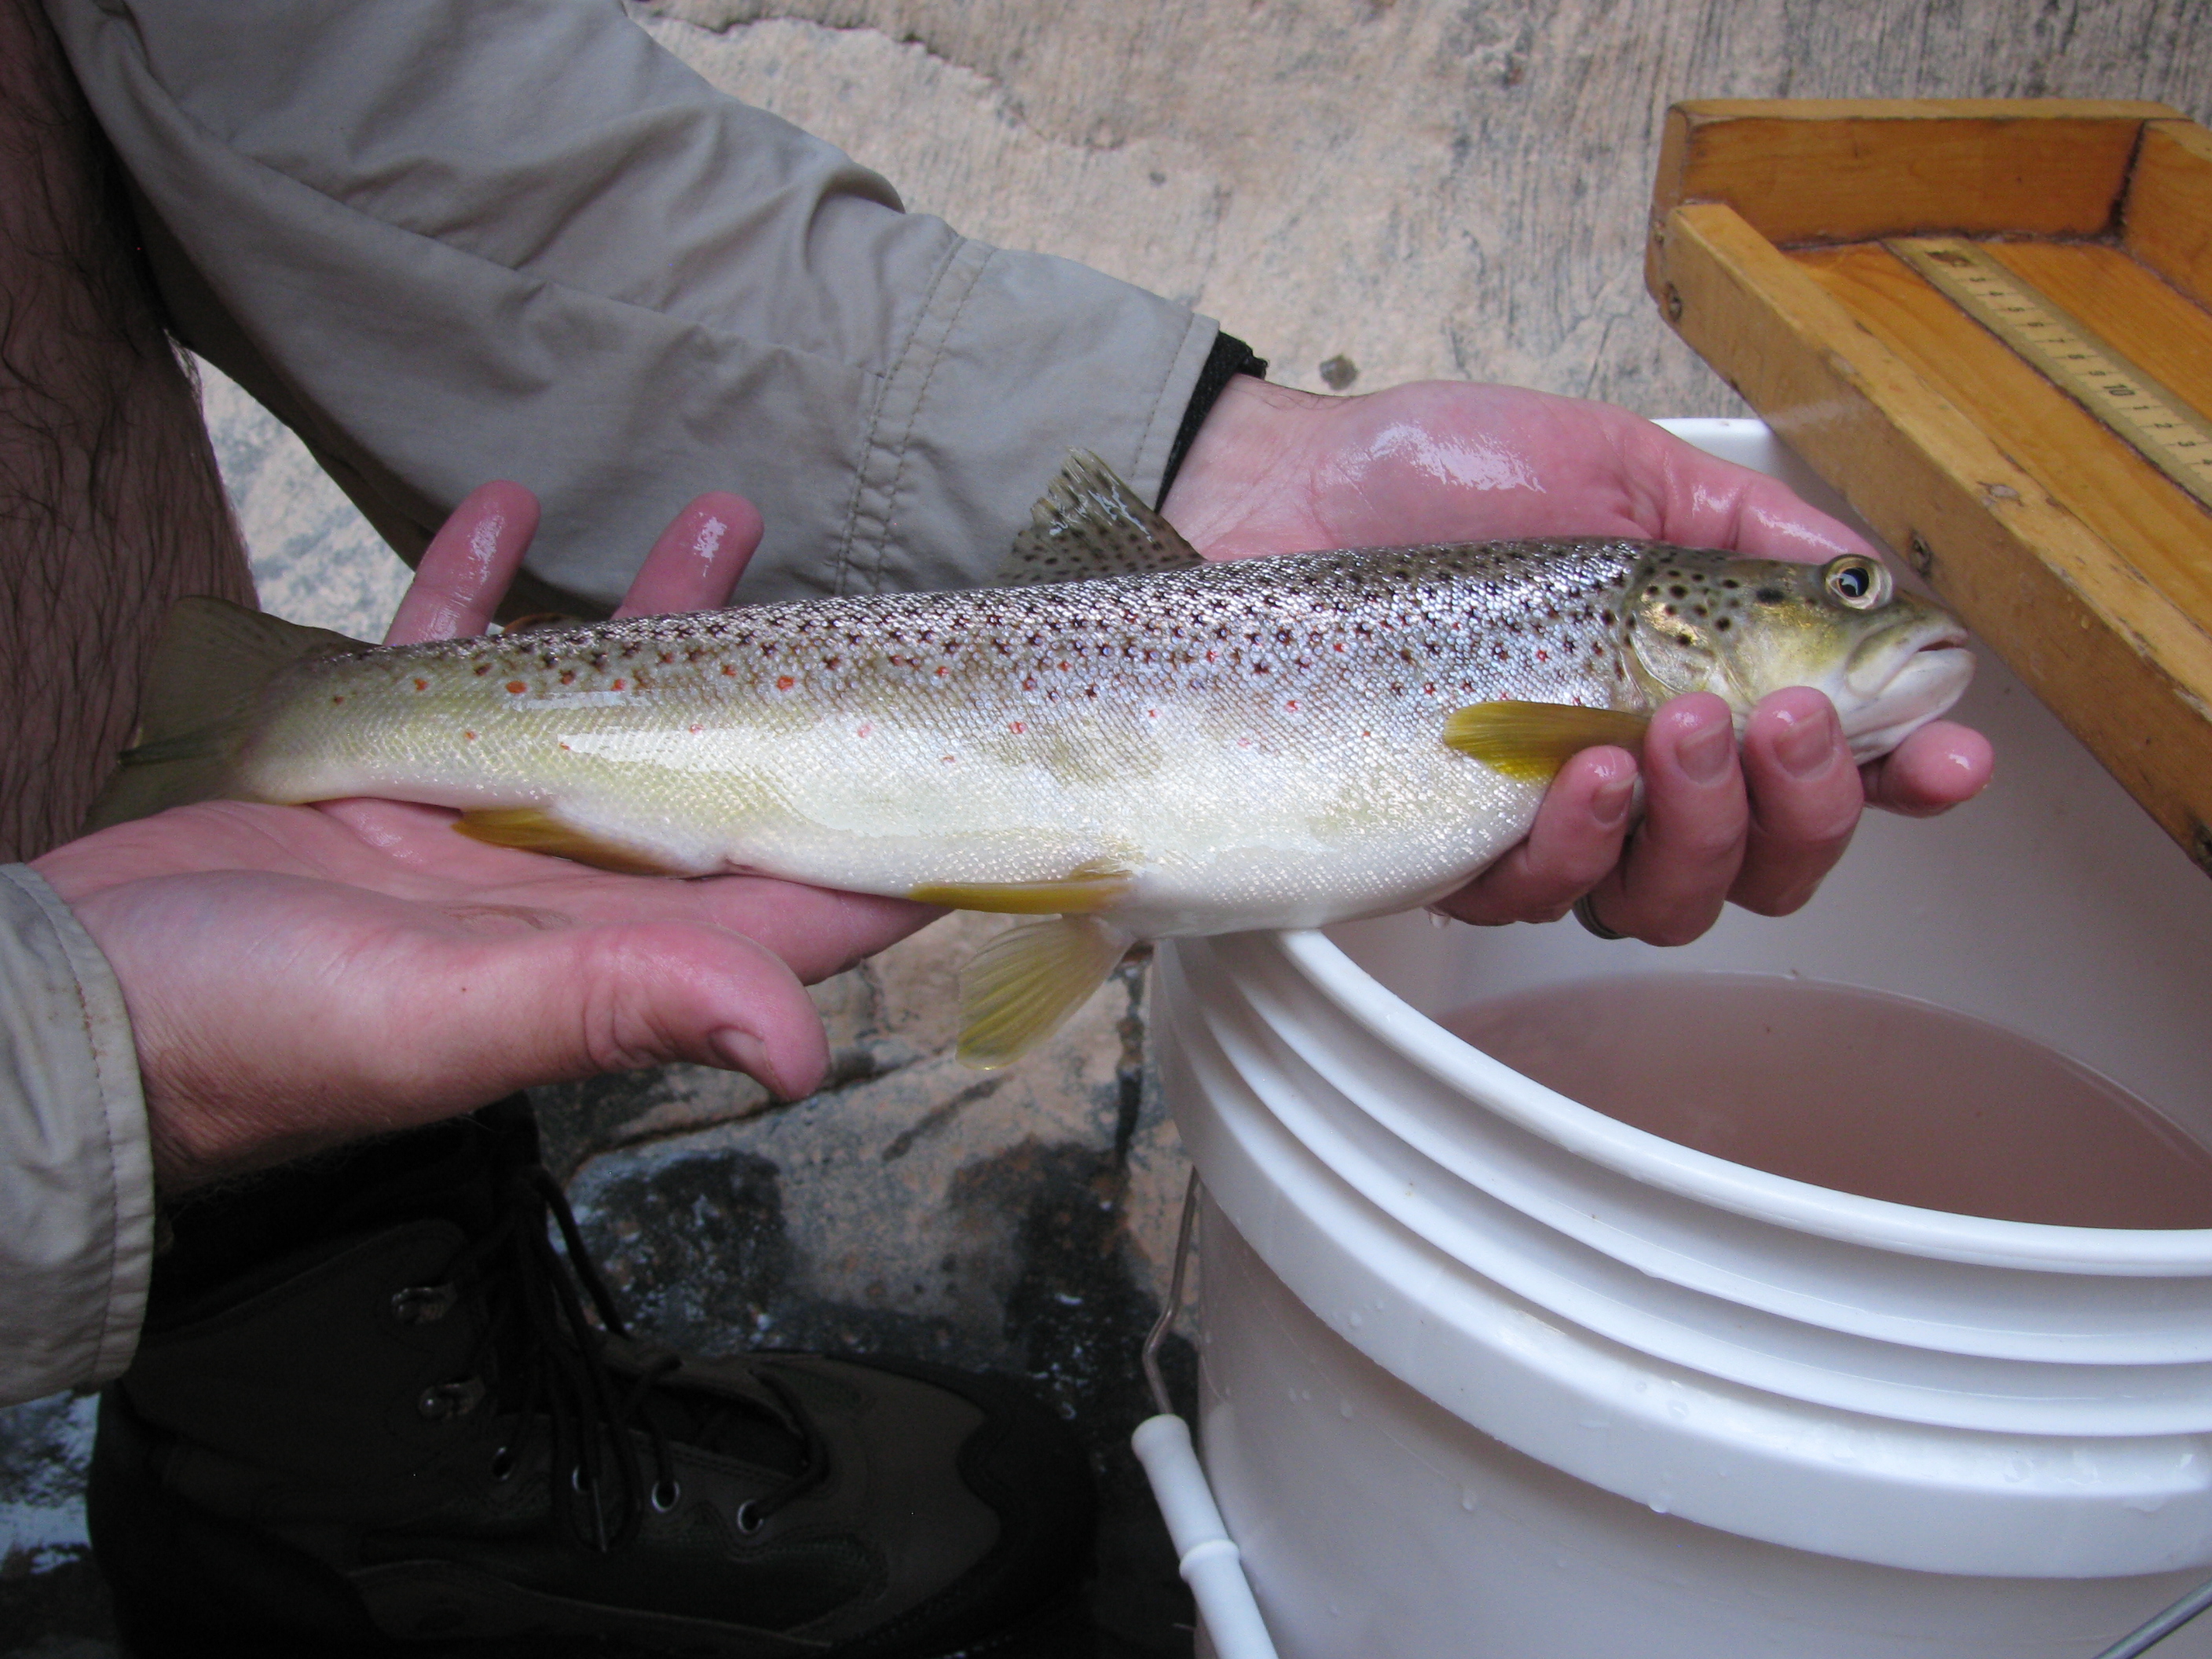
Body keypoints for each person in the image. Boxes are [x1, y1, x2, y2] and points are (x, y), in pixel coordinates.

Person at [3, 0, 1993, 1651]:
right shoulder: (1597, 653)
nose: (1864, 615)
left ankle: (339, 1437)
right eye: (1836, 599)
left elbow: (325, 71)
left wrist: (1203, 451)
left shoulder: (1603, 658)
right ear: (1682, 629)